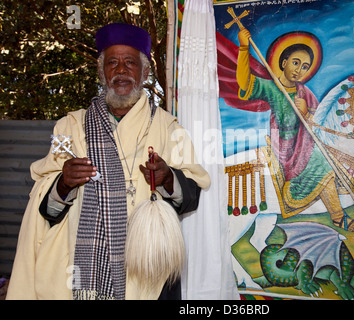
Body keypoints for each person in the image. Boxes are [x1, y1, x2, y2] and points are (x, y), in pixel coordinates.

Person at [6, 23, 210, 300]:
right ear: (102, 72)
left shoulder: (169, 128)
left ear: (145, 72)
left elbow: (191, 199)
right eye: (112, 63)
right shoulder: (70, 127)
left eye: (130, 63)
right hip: (77, 270)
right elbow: (45, 209)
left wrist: (167, 178)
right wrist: (63, 184)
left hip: (147, 271)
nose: (121, 70)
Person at [236, 28, 354, 231]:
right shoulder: (271, 87)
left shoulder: (305, 92)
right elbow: (243, 82)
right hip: (286, 146)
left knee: (326, 155)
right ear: (284, 62)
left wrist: (306, 113)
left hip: (306, 142)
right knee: (320, 162)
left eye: (305, 67)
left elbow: (318, 122)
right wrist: (244, 48)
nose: (299, 70)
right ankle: (339, 218)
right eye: (296, 62)